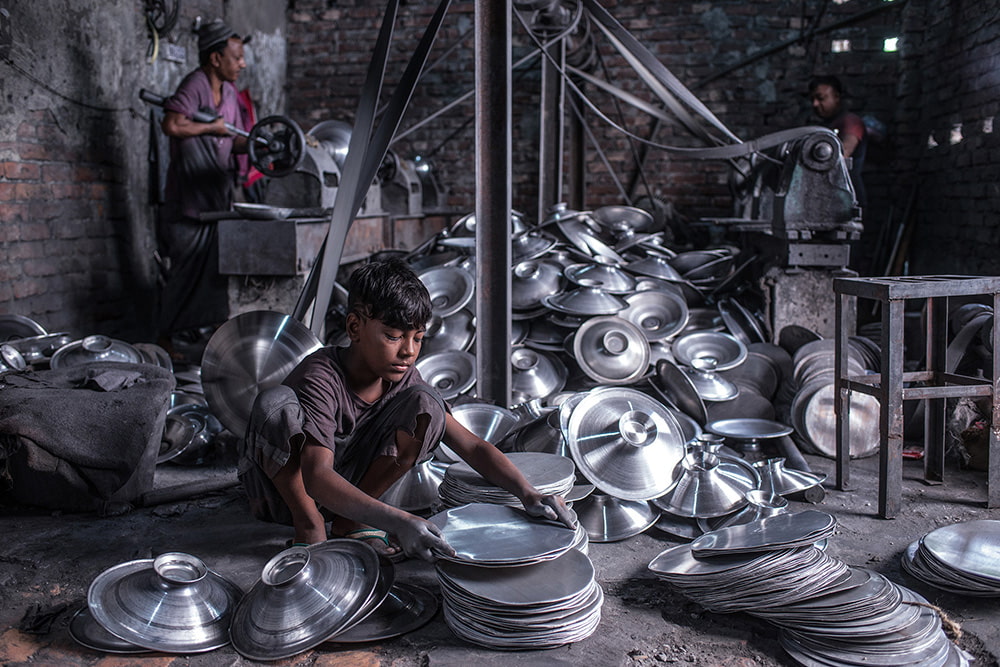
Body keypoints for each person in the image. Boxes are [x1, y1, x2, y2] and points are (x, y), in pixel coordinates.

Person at [238, 258, 578, 562]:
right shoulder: (321, 376)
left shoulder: (403, 378)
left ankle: (349, 522)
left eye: (418, 338)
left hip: (351, 494)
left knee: (426, 403)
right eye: (393, 336)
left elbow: (472, 446)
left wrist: (528, 493)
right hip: (289, 494)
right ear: (354, 328)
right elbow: (317, 477)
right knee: (274, 403)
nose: (408, 351)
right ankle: (310, 526)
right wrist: (400, 521)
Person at [157, 19, 249, 342]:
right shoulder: (195, 84)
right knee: (183, 275)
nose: (242, 63)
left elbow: (235, 137)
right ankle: (170, 340)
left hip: (216, 202)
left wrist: (256, 144)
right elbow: (172, 124)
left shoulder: (231, 93)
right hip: (188, 204)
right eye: (236, 57)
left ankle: (198, 339)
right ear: (215, 59)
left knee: (212, 275)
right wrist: (211, 128)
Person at [808, 74, 868, 210]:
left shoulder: (850, 122)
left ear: (836, 97)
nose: (815, 104)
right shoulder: (827, 125)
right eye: (812, 99)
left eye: (820, 98)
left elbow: (843, 153)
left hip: (848, 198)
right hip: (832, 197)